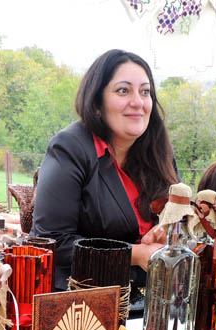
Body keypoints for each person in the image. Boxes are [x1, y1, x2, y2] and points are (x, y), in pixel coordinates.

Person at [30, 49, 178, 291]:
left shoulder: (160, 149)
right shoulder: (70, 148)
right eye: (123, 90)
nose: (138, 102)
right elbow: (52, 243)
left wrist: (165, 232)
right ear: (96, 102)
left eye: (145, 91)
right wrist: (135, 254)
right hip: (82, 300)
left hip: (151, 296)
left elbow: (177, 216)